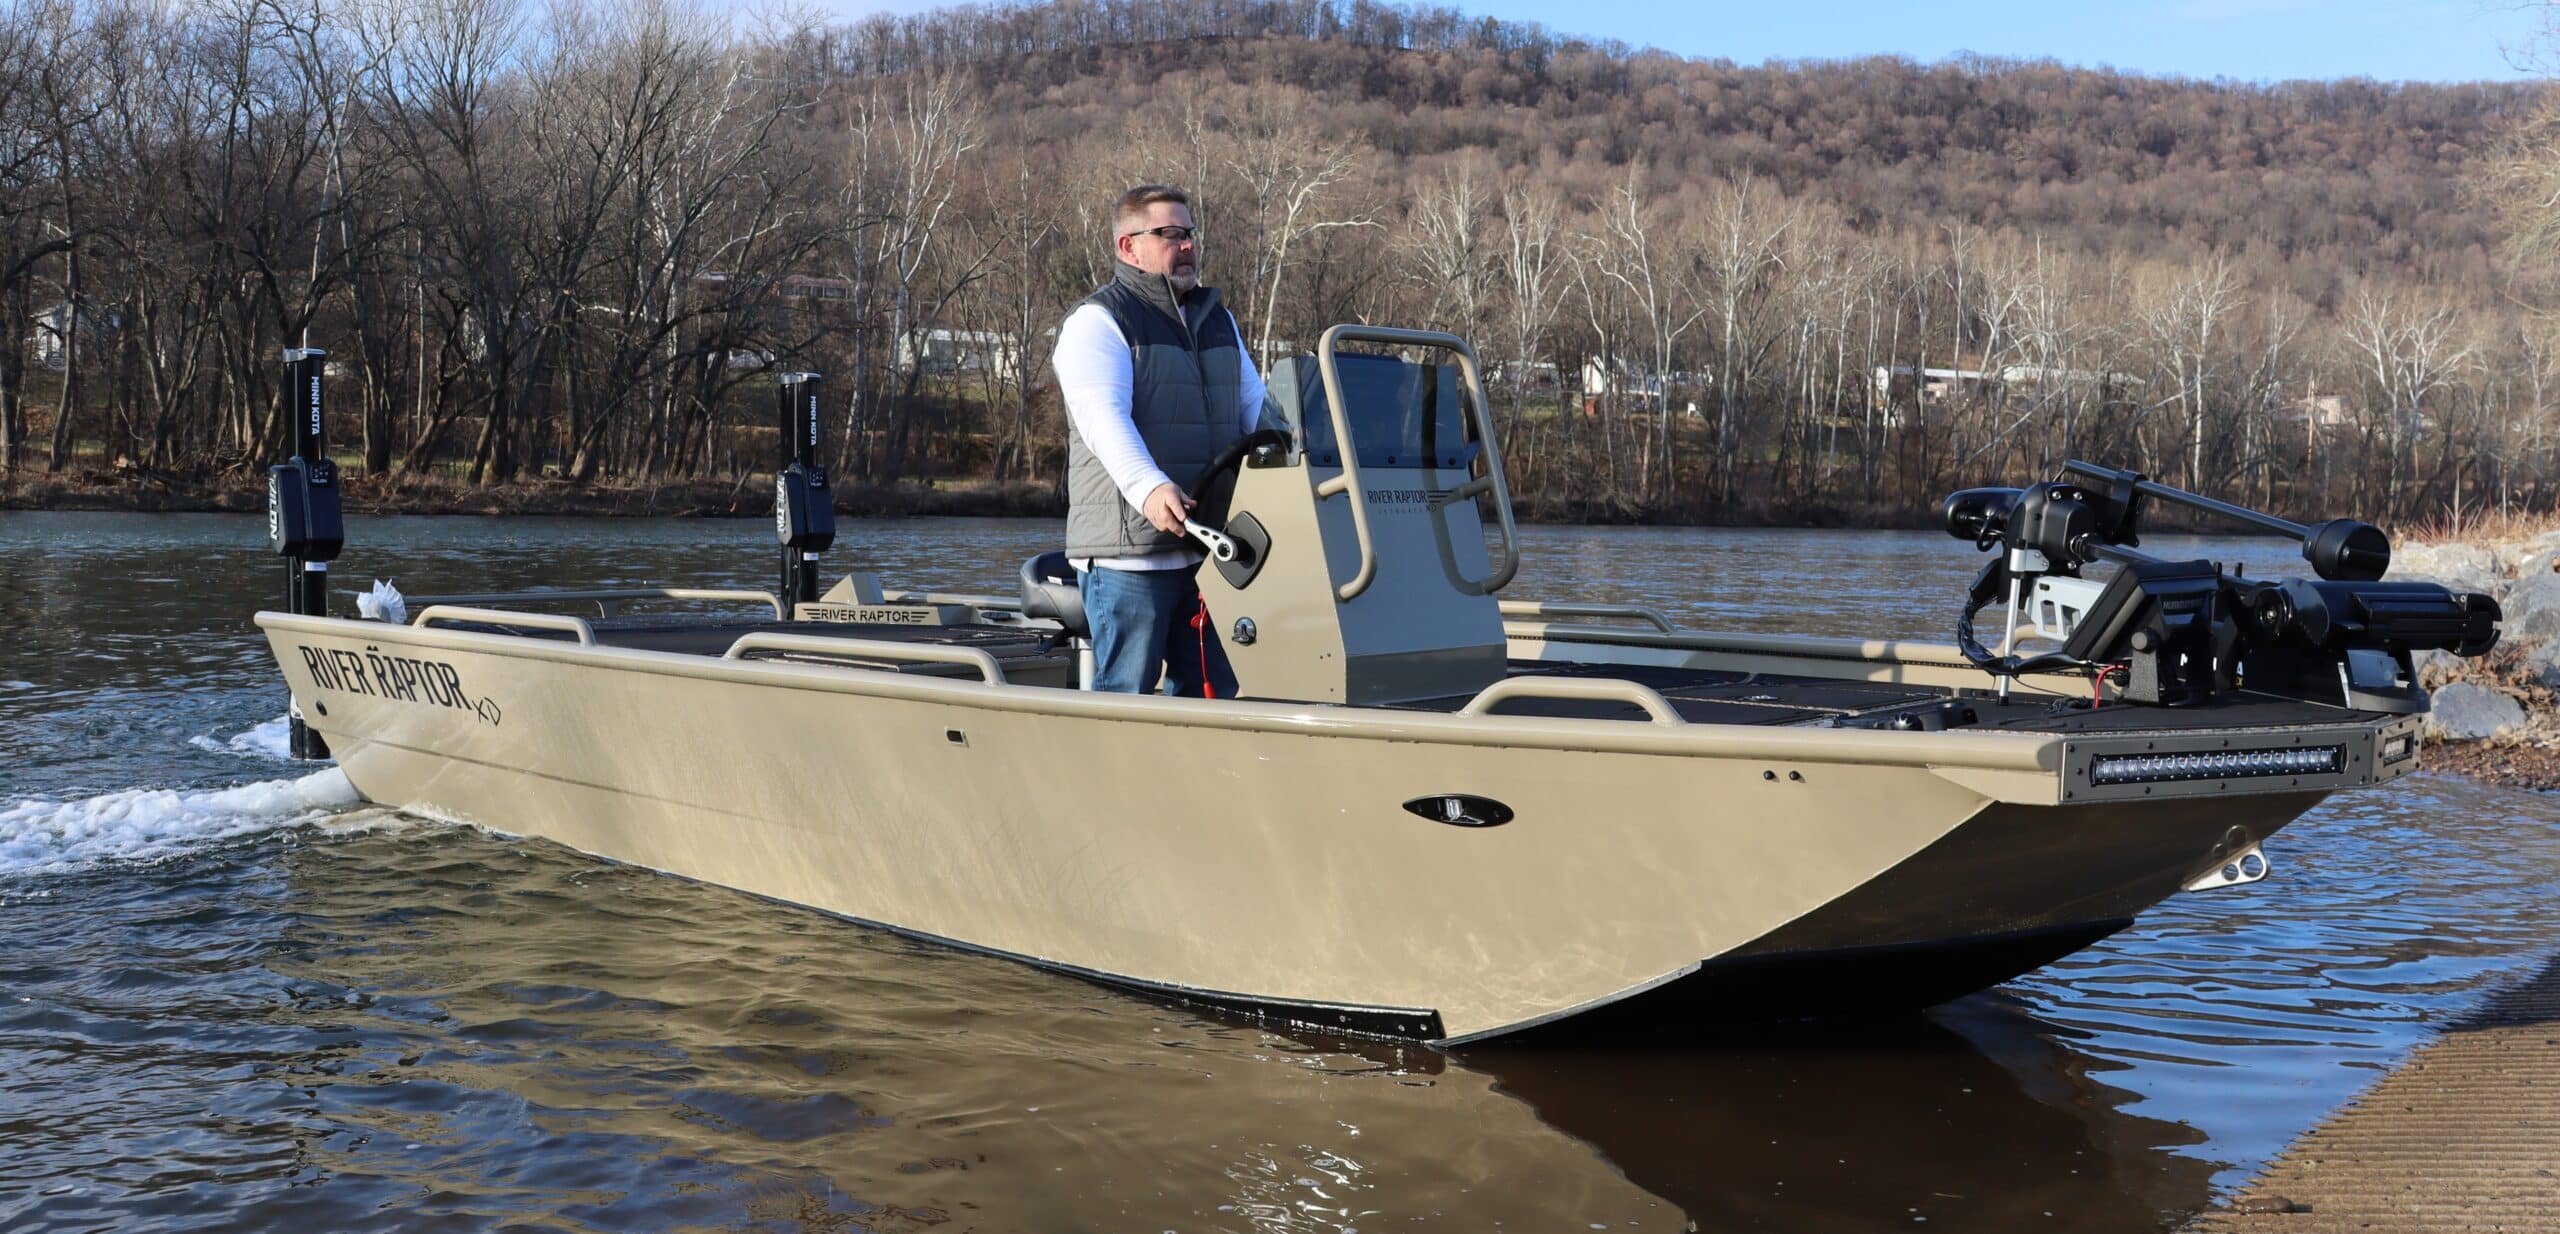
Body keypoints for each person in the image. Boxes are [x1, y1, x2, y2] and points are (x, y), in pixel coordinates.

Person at [1052, 185, 1265, 696]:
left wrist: (1307, 457)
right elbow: (1102, 417)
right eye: (1170, 234)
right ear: (1129, 247)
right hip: (1130, 556)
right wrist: (1149, 487)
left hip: (1206, 553)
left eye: (1190, 232)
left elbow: (1257, 408)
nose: (1187, 244)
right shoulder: (1098, 321)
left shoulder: (1219, 319)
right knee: (1127, 693)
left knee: (1212, 690)